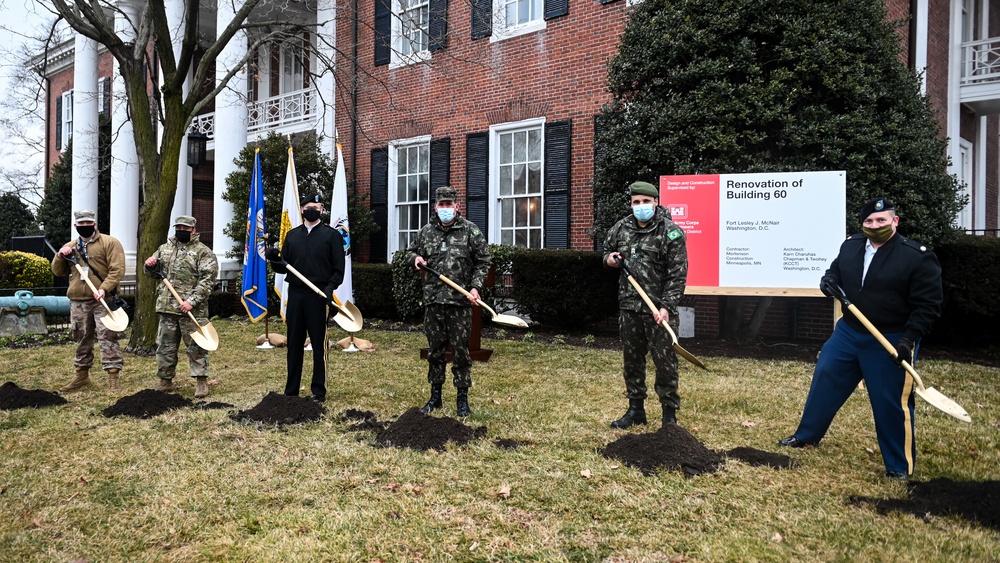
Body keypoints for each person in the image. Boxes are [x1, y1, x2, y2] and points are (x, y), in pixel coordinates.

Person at [779, 197, 943, 481]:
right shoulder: (852, 245)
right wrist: (828, 280)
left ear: (895, 221)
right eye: (869, 221)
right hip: (849, 331)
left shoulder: (916, 256)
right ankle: (806, 436)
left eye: (882, 220)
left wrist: (908, 340)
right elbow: (836, 271)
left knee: (889, 401)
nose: (875, 225)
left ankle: (899, 466)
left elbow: (928, 306)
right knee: (825, 380)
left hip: (890, 338)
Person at [603, 181, 689, 429]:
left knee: (665, 363)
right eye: (636, 202)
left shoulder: (671, 232)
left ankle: (669, 416)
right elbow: (607, 251)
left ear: (656, 202)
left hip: (659, 310)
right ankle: (635, 410)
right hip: (630, 307)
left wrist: (667, 306)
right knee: (632, 361)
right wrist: (609, 259)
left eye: (645, 201)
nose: (641, 206)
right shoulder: (621, 228)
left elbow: (677, 274)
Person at [405, 186, 491, 417]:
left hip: (459, 302)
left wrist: (475, 286)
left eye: (448, 204)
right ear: (435, 206)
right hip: (434, 301)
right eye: (441, 204)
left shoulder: (470, 231)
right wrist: (416, 258)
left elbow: (483, 261)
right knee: (435, 351)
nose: (445, 208)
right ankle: (435, 397)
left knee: (461, 353)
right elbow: (410, 251)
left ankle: (462, 399)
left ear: (457, 206)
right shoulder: (426, 232)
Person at [266, 194, 345, 403]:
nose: (313, 210)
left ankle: (319, 391)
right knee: (294, 343)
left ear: (321, 210)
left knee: (319, 345)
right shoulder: (292, 236)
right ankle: (291, 391)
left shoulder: (331, 236)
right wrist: (273, 259)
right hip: (296, 295)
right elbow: (283, 267)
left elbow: (339, 270)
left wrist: (329, 289)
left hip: (318, 296)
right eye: (309, 207)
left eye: (317, 207)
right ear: (302, 210)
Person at [51, 209, 127, 392]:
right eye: (81, 224)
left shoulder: (110, 243)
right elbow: (58, 271)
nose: (85, 227)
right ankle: (81, 376)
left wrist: (104, 288)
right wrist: (60, 256)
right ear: (76, 226)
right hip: (78, 300)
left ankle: (113, 377)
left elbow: (117, 270)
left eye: (88, 224)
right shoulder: (71, 247)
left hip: (103, 300)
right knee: (82, 337)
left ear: (95, 224)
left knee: (107, 336)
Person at [143, 215, 219, 398]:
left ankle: (201, 381)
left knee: (196, 347)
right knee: (165, 347)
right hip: (167, 307)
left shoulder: (203, 252)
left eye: (185, 228)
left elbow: (207, 281)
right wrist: (149, 265)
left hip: (192, 310)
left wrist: (191, 301)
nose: (181, 231)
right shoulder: (164, 249)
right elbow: (152, 273)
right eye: (178, 227)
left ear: (193, 230)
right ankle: (165, 381)